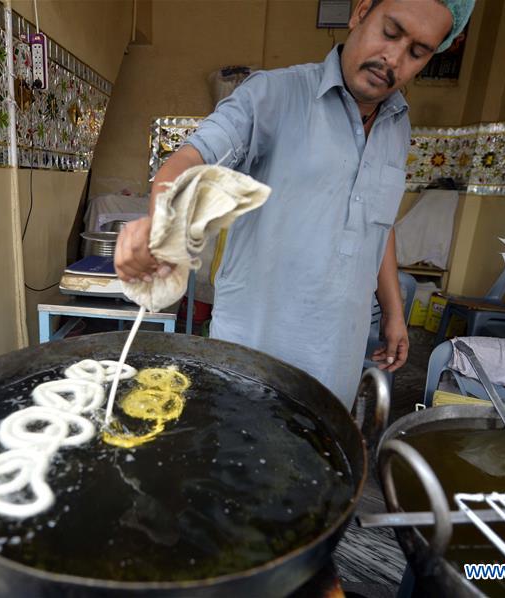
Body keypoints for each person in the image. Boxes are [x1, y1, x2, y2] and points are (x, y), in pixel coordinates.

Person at [114, 0, 474, 406]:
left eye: (417, 52)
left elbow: (378, 220)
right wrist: (161, 222)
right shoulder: (274, 94)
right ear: (360, 12)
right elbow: (192, 158)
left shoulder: (398, 125)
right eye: (390, 32)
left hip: (337, 357)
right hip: (253, 354)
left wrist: (393, 312)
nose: (394, 58)